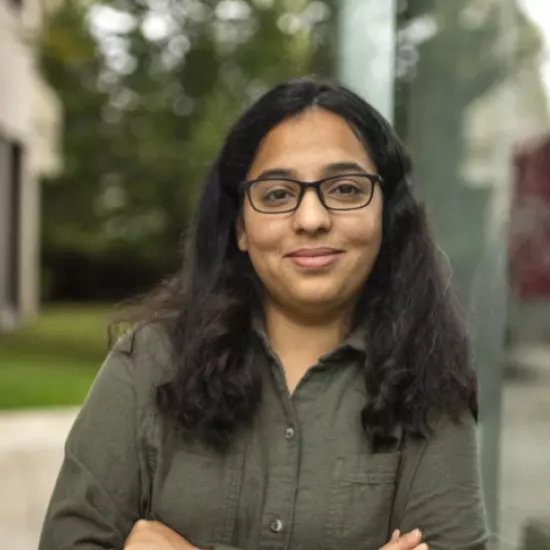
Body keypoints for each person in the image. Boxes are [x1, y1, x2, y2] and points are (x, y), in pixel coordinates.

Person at [39, 78, 488, 550]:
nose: (312, 219)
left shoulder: (431, 383)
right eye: (277, 194)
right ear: (240, 227)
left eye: (346, 188)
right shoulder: (147, 364)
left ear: (386, 216)